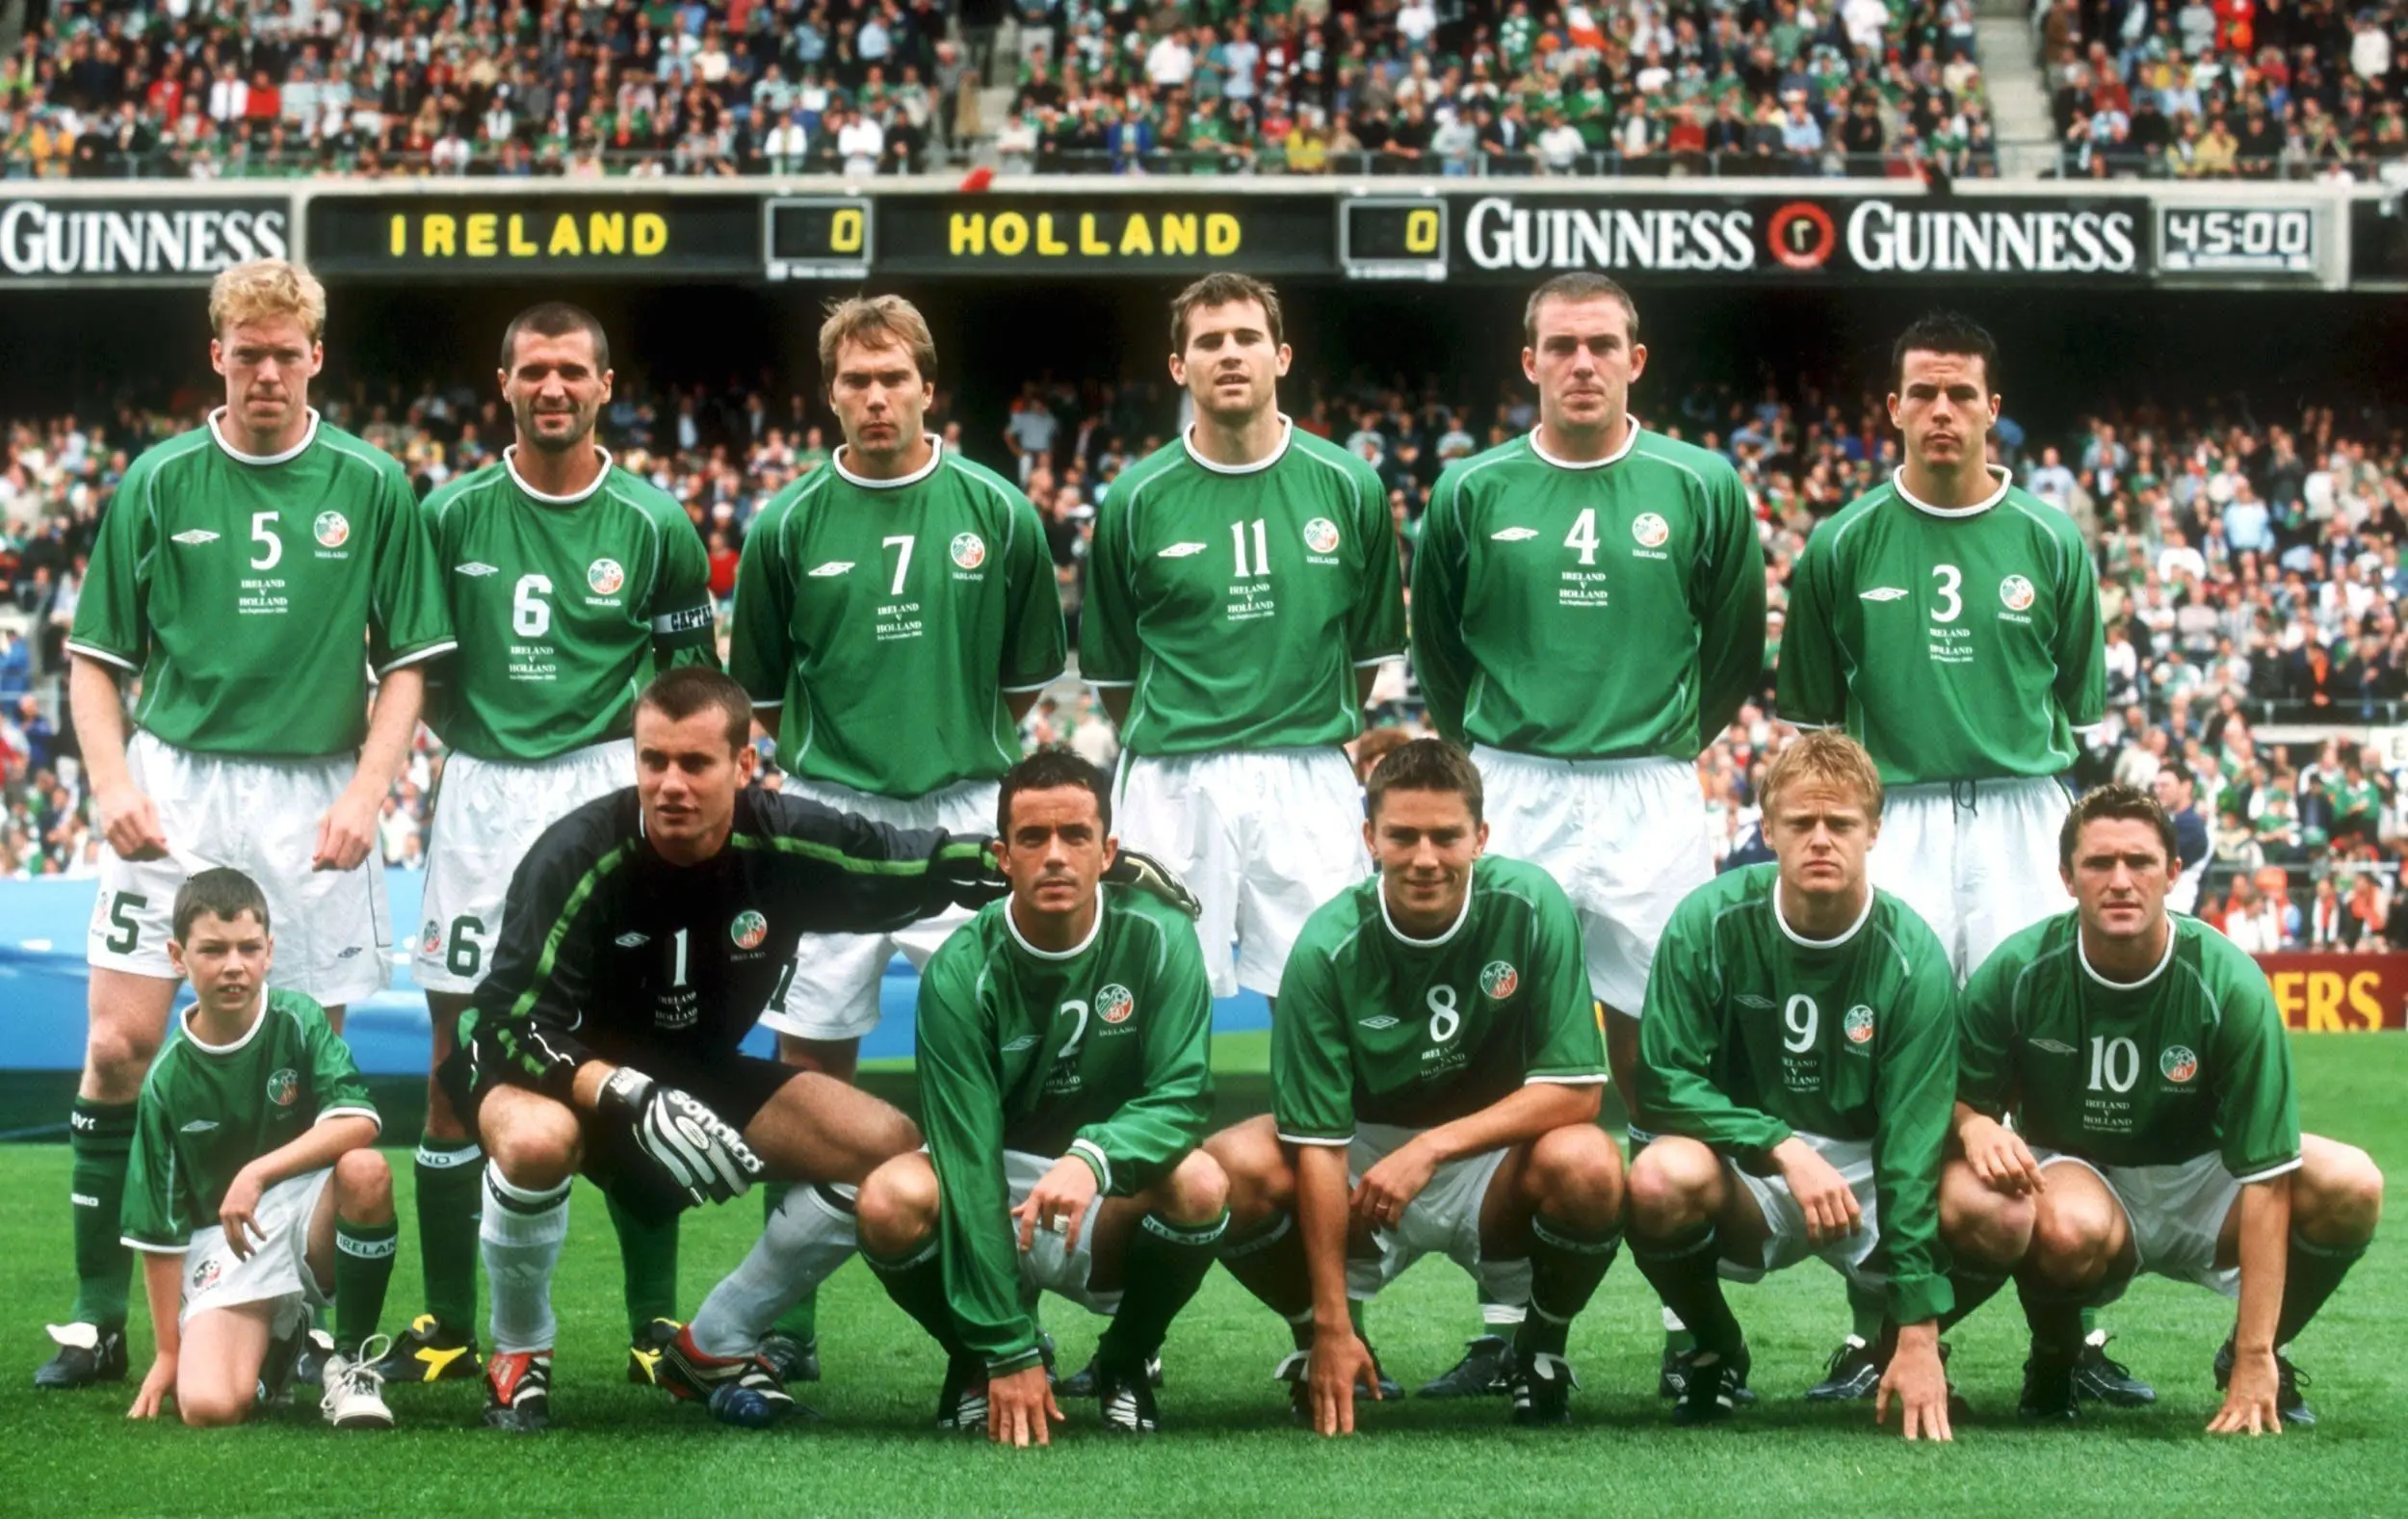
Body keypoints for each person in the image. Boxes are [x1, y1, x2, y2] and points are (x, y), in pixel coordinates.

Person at [45, 258, 454, 1391]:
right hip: (177, 785)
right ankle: (95, 1315)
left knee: (296, 1076)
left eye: (286, 351)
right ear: (214, 353)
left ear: (316, 355)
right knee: (120, 1043)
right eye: (246, 351)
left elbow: (410, 663)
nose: (266, 370)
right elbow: (93, 662)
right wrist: (111, 779)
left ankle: (285, 1321)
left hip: (310, 789)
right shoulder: (160, 478)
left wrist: (370, 791)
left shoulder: (372, 482)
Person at [441, 668, 1002, 1432]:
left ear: (743, 765)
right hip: (551, 1075)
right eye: (653, 760)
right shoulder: (575, 853)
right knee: (540, 1142)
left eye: (695, 763)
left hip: (687, 1071)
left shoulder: (782, 838)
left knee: (886, 1147)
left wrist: (1031, 863)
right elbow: (505, 1022)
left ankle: (714, 1342)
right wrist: (623, 1091)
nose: (670, 783)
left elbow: (905, 860)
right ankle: (518, 1353)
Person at [1409, 272, 1765, 1398]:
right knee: (1504, 1047)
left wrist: (1662, 744)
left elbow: (1734, 650)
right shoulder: (1471, 489)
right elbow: (1438, 652)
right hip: (1510, 778)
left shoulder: (1700, 483)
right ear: (1528, 362)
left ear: (1636, 360)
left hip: (1650, 785)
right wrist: (1495, 756)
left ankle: (1683, 1315)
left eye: (1602, 344)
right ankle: (1505, 1322)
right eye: (1559, 345)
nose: (1581, 364)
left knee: (1661, 1054)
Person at [1774, 311, 2131, 1404]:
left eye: (1960, 394)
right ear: (1892, 406)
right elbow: (1813, 723)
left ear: (1990, 406)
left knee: (2043, 1047)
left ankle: (2073, 1333)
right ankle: (1870, 1324)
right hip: (1904, 810)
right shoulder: (1842, 542)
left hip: (2025, 809)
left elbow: (2075, 709)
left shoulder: (2052, 539)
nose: (1940, 412)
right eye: (1921, 392)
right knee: (1886, 1051)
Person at [380, 302, 720, 1391]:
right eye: (534, 370)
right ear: (505, 381)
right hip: (481, 795)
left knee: (637, 1054)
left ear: (605, 384)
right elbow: (413, 668)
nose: (553, 387)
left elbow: (686, 693)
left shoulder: (655, 521)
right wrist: (477, 758)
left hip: (604, 794)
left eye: (572, 369)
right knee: (453, 1065)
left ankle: (653, 1322)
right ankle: (443, 1320)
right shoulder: (451, 512)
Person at [730, 295, 1066, 1376]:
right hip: (831, 814)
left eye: (895, 378)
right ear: (829, 393)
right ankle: (785, 1320)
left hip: (970, 807)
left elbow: (1020, 684)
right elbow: (768, 698)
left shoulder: (998, 510)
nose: (876, 398)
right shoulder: (785, 523)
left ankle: (1010, 1293)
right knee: (807, 1065)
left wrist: (942, 751)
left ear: (928, 385)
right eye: (856, 380)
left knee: (1005, 1050)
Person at [1206, 740, 1627, 1432]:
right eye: (1402, 835)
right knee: (1229, 1164)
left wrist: (1432, 1147)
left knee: (1588, 1160)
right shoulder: (1324, 946)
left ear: (1480, 837)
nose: (1425, 856)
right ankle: (1319, 1341)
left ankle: (1540, 1348)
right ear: (1370, 838)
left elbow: (1577, 1091)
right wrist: (1332, 1324)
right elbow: (1315, 1142)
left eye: (1445, 835)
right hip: (1363, 1161)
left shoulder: (1531, 902)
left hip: (1493, 1161)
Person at [1941, 784, 2383, 1428]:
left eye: (2140, 862)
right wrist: (1974, 1121)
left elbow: (2265, 1176)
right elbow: (1948, 1096)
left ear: (2173, 873)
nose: (2120, 881)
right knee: (2061, 1229)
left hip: (2206, 1177)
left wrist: (2257, 1350)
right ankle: (2056, 1357)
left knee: (2354, 1182)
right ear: (2067, 876)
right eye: (2098, 863)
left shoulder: (2230, 982)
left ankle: (2252, 1354)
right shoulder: (2021, 968)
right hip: (2080, 1173)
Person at [843, 749, 1223, 1441]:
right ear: (1001, 855)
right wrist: (1005, 1344)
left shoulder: (1163, 934)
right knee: (888, 1199)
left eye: (1076, 835)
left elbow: (1183, 1095)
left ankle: (1125, 1359)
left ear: (1107, 850)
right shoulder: (962, 970)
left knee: (1200, 1182)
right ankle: (973, 1356)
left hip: (1107, 1183)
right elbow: (966, 1160)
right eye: (1032, 838)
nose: (1056, 855)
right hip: (994, 1173)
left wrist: (1094, 1157)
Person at [1080, 272, 1405, 1012]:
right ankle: (1165, 1134)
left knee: (1320, 997)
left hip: (1307, 770)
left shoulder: (1350, 486)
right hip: (1173, 776)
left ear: (1281, 356)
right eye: (1209, 341)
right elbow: (1113, 671)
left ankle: (1314, 1134)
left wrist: (1290, 721)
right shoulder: (1134, 499)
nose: (1230, 354)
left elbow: (1362, 656)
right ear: (1179, 366)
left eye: (1247, 338)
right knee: (1159, 997)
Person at [1626, 732, 1958, 1437]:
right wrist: (1779, 1145)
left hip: (1870, 1165)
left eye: (1839, 824)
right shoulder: (1708, 921)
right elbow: (1660, 1079)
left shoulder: (1914, 956)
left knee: (1996, 1211)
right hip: (1753, 1169)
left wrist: (1922, 1325)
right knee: (1657, 1177)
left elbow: (1913, 1140)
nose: (1820, 840)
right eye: (1801, 823)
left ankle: (1892, 1345)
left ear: (1873, 829)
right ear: (1767, 827)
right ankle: (1716, 1341)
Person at [121, 869, 398, 1430]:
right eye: (213, 950)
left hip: (304, 1214)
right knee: (208, 1407)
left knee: (366, 1172)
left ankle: (350, 1363)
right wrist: (168, 1353)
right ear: (179, 957)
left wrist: (257, 1173)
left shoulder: (298, 1019)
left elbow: (359, 1122)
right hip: (228, 1244)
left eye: (249, 948)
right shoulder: (165, 1079)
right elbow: (158, 1232)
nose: (233, 965)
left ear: (269, 952)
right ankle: (284, 1337)